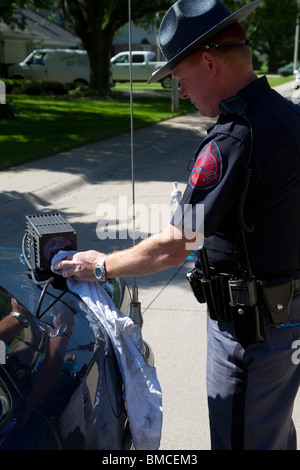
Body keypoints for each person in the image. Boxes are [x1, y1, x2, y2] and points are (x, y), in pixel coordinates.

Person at [54, 0, 300, 450]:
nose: (182, 93)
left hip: (250, 335)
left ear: (209, 61)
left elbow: (175, 245)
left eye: (181, 79)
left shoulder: (232, 141)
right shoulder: (288, 118)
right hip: (285, 324)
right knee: (275, 434)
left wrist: (101, 265)